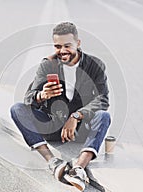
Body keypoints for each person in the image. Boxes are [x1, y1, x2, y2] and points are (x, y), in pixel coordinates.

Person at [10, 22, 111, 191]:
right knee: (17, 109)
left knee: (104, 116)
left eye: (67, 45)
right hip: (52, 125)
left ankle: (78, 169)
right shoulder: (48, 64)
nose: (62, 51)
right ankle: (53, 162)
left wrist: (77, 115)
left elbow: (103, 99)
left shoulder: (95, 65)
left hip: (80, 127)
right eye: (57, 46)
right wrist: (42, 95)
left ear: (78, 43)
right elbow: (28, 98)